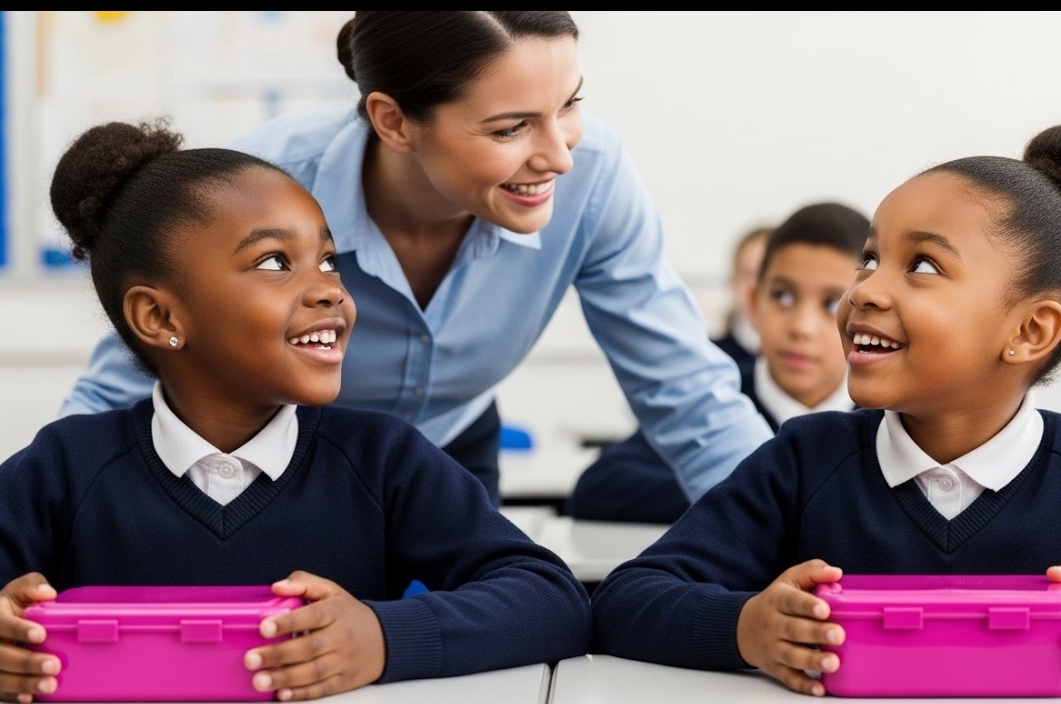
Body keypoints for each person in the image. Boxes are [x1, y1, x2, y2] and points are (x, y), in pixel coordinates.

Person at [589, 123, 1061, 698]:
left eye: (924, 266)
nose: (863, 290)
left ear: (1030, 331)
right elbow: (627, 599)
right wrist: (747, 628)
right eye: (871, 258)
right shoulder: (804, 461)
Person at [0, 119, 590, 704]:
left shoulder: (382, 460)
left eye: (328, 260)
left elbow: (552, 601)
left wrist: (382, 638)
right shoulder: (67, 468)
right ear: (158, 317)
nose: (329, 289)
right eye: (274, 263)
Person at [54, 11, 774, 509]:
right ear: (393, 121)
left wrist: (781, 536)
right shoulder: (258, 188)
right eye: (510, 128)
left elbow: (688, 393)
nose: (559, 154)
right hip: (273, 467)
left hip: (451, 456)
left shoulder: (594, 177)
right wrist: (34, 545)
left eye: (569, 105)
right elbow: (119, 390)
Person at [566, 202, 868, 523]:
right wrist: (756, 493)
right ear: (753, 303)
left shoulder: (889, 419)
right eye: (783, 297)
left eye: (832, 304)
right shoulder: (712, 398)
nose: (802, 327)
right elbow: (598, 489)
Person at [712, 224, 773, 377]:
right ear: (732, 282)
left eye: (764, 276)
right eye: (747, 274)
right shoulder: (707, 358)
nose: (755, 287)